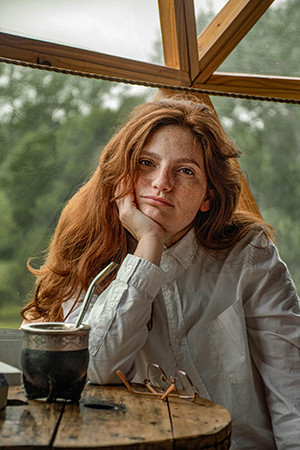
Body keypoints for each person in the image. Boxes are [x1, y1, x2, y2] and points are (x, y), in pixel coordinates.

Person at [21, 96, 300, 449]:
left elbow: (292, 392)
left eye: (186, 171)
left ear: (208, 197)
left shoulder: (249, 254)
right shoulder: (90, 249)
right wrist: (149, 245)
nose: (161, 183)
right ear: (122, 175)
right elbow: (97, 367)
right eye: (146, 163)